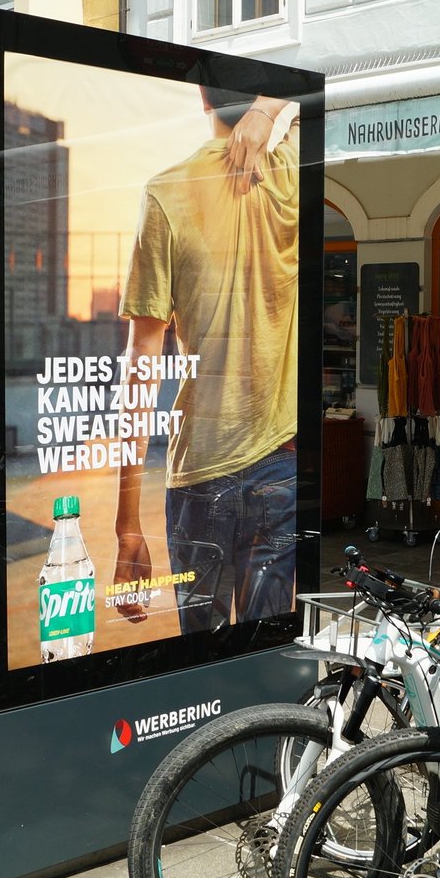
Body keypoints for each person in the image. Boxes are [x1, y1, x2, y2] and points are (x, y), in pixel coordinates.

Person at [111, 87, 300, 634]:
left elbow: (142, 359)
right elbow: (321, 79)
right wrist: (270, 109)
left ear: (202, 98)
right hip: (281, 460)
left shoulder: (167, 192)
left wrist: (128, 526)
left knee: (201, 658)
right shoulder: (290, 175)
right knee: (267, 651)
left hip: (200, 468)